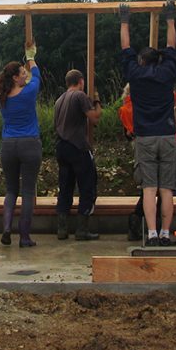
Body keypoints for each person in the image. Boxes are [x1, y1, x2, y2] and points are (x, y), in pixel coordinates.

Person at [120, 0, 176, 246]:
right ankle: (166, 234)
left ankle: (152, 234)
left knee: (149, 189)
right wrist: (170, 18)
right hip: (167, 135)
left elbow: (126, 48)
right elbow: (171, 45)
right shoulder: (167, 73)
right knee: (166, 189)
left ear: (142, 61)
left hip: (144, 136)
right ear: (159, 60)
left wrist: (124, 20)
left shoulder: (135, 75)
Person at [0, 40, 41, 247]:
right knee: (28, 191)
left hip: (8, 145)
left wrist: (27, 61)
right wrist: (30, 57)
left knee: (11, 189)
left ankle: (6, 229)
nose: (26, 75)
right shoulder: (28, 92)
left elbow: (32, 77)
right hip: (29, 144)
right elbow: (38, 76)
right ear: (15, 77)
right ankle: (24, 236)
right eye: (22, 73)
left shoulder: (3, 98)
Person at [54, 69, 102, 241]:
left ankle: (62, 229)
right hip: (78, 147)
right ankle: (82, 230)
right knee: (88, 186)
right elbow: (95, 118)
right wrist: (96, 100)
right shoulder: (80, 96)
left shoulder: (59, 100)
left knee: (65, 188)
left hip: (61, 147)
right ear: (81, 81)